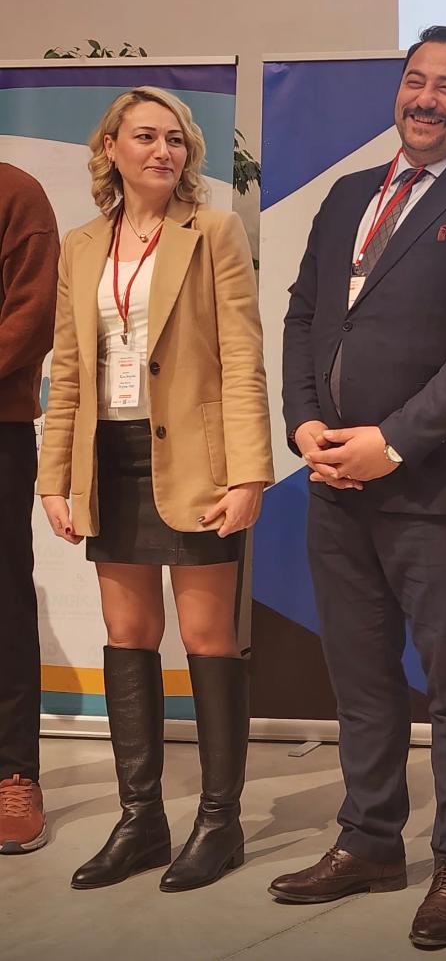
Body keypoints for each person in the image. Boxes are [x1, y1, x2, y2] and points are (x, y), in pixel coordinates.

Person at [274, 26, 446, 948]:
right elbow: (305, 312)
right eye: (415, 80)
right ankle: (368, 841)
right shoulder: (350, 193)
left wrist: (391, 442)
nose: (426, 97)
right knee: (361, 676)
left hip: (441, 487)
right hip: (332, 478)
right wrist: (304, 423)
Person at [36, 86, 273, 892]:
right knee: (128, 633)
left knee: (207, 637)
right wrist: (55, 477)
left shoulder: (214, 230)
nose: (164, 150)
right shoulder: (81, 245)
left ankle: (219, 820)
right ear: (111, 147)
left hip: (199, 460)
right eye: (145, 136)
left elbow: (242, 357)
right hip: (110, 456)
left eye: (175, 138)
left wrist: (249, 472)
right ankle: (141, 819)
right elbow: (69, 368)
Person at [0, 164, 59, 854]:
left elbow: (33, 312)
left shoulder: (15, 193)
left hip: (0, 425)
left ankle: (13, 772)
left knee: (5, 603)